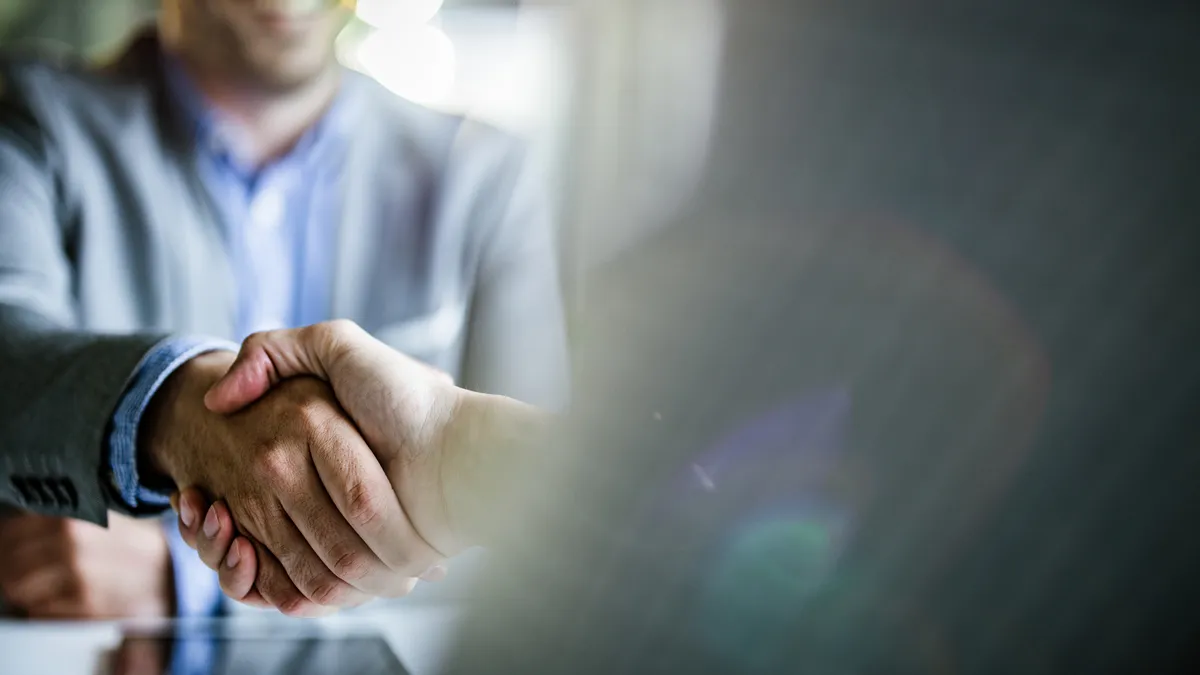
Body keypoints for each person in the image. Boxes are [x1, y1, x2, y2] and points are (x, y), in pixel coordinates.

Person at [0, 0, 568, 620]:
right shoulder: (32, 120)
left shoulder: (484, 177)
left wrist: (188, 590)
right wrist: (174, 406)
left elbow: (543, 538)